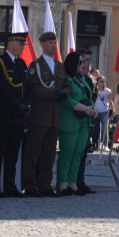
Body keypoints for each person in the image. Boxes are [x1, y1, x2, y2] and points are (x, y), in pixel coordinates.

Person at [23, 31, 68, 197]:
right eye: (50, 43)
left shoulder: (59, 66)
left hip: (55, 117)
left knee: (49, 153)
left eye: (54, 42)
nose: (53, 45)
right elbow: (34, 89)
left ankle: (45, 184)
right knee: (33, 152)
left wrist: (64, 93)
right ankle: (30, 185)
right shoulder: (35, 65)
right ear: (42, 44)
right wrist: (54, 93)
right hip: (40, 115)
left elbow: (67, 86)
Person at [0, 32, 31, 198]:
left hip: (18, 116)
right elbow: (0, 87)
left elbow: (27, 86)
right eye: (20, 44)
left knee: (12, 153)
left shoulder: (22, 63)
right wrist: (16, 104)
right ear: (11, 43)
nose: (21, 47)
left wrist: (25, 104)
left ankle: (10, 185)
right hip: (3, 114)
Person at [57, 51, 98, 195]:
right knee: (67, 153)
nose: (83, 65)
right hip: (70, 120)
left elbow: (89, 95)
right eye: (80, 62)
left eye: (83, 62)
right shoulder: (65, 79)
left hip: (84, 121)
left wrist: (92, 108)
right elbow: (67, 100)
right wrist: (86, 108)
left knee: (78, 154)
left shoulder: (82, 79)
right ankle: (62, 184)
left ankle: (73, 184)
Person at [95, 76, 111, 150]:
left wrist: (112, 110)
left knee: (105, 128)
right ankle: (97, 144)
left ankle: (105, 145)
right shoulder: (95, 90)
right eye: (101, 81)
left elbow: (110, 101)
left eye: (103, 81)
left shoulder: (107, 91)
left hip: (104, 111)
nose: (102, 83)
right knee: (97, 128)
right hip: (96, 111)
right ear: (97, 82)